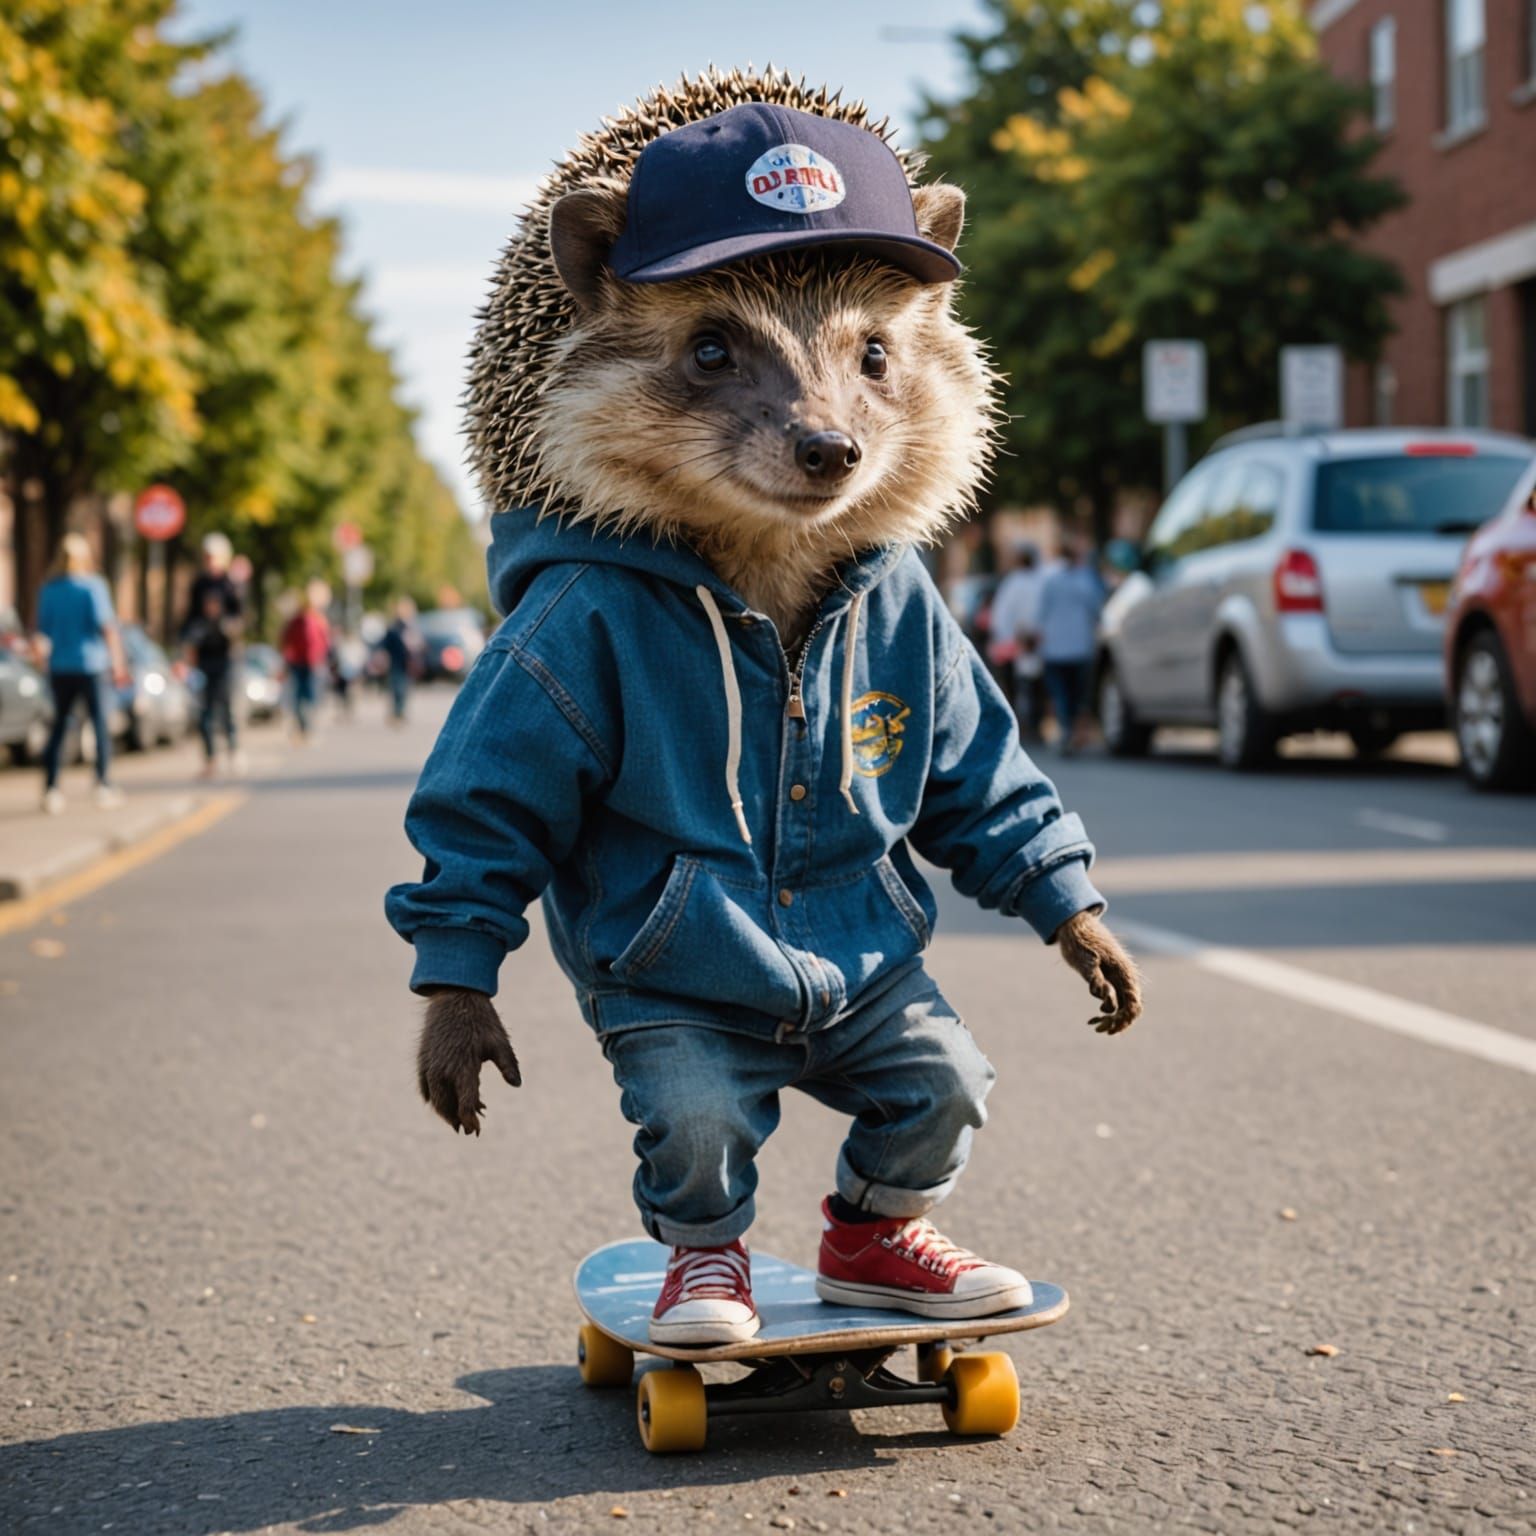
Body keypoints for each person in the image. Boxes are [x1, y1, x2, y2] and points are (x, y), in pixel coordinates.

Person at [34, 533, 128, 813]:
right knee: (99, 724)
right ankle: (102, 784)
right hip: (92, 666)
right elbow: (107, 628)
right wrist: (119, 665)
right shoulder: (93, 587)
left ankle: (51, 788)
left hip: (60, 667)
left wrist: (42, 663)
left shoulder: (49, 589)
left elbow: (42, 633)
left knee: (60, 727)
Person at [1037, 535, 1107, 756]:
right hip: (1080, 646)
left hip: (1055, 647)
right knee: (1078, 694)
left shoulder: (1051, 580)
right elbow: (1098, 608)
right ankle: (1075, 731)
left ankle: (1066, 730)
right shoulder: (1087, 580)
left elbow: (1041, 612)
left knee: (1061, 694)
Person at [182, 533, 244, 778]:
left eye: (214, 557)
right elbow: (189, 618)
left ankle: (233, 750)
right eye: (207, 556)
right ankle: (210, 757)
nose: (210, 561)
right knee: (204, 710)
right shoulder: (198, 585)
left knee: (226, 705)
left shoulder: (231, 585)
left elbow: (241, 617)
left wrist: (229, 626)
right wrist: (187, 645)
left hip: (226, 654)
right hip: (203, 654)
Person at [987, 542, 1050, 742]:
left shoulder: (1015, 583)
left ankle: (1026, 724)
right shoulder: (1039, 581)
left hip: (1024, 641)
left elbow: (1001, 614)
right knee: (1030, 686)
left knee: (1024, 687)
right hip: (1027, 641)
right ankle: (1029, 724)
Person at [279, 582, 331, 740]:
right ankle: (302, 726)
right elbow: (285, 639)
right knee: (299, 696)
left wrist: (321, 657)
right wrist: (287, 657)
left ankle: (307, 726)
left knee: (310, 696)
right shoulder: (295, 621)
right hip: (298, 662)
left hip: (313, 663)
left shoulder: (318, 621)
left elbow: (325, 642)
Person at [380, 598, 422, 725]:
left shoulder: (411, 627)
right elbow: (385, 644)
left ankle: (400, 711)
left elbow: (418, 645)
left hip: (407, 663)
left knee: (404, 688)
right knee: (396, 687)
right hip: (396, 662)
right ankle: (397, 712)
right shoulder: (394, 627)